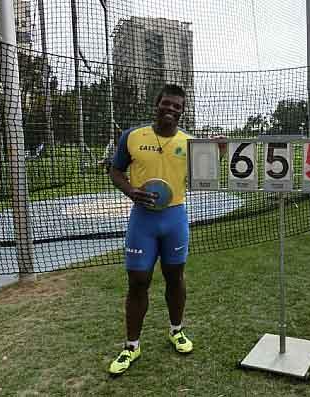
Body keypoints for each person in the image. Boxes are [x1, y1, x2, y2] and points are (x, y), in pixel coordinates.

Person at [107, 84, 194, 375]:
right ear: (156, 104)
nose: (171, 109)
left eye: (177, 106)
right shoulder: (131, 137)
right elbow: (115, 170)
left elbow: (203, 176)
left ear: (183, 111)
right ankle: (132, 345)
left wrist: (217, 151)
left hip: (175, 219)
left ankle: (176, 330)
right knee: (138, 281)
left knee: (175, 276)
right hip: (143, 220)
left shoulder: (190, 142)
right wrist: (131, 191)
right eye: (166, 104)